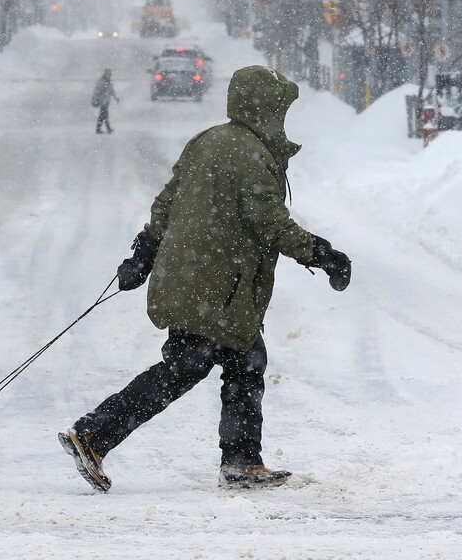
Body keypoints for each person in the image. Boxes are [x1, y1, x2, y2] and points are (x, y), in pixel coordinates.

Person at [59, 66, 352, 492]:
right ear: (265, 107)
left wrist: (143, 253)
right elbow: (271, 223)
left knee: (243, 361)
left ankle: (240, 461)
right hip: (217, 287)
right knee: (189, 367)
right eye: (279, 107)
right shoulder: (251, 154)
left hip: (197, 279)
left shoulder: (208, 140)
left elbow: (166, 202)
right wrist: (325, 255)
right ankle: (94, 434)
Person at [91, 69, 119, 134]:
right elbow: (97, 91)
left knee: (102, 116)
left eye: (109, 72)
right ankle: (107, 129)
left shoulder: (109, 81)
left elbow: (112, 91)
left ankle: (99, 130)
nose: (108, 74)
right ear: (104, 73)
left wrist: (116, 98)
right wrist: (94, 100)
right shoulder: (101, 81)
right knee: (104, 115)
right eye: (107, 72)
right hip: (102, 101)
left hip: (107, 101)